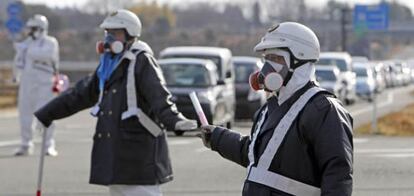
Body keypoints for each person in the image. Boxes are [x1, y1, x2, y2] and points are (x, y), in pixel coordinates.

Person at [33, 9, 197, 196]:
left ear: (129, 34)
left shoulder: (142, 61)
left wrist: (176, 121)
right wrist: (47, 113)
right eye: (107, 33)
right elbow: (80, 94)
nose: (109, 38)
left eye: (115, 33)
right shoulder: (108, 66)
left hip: (138, 158)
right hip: (116, 158)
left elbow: (159, 96)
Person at [199, 22, 353, 196]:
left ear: (298, 60)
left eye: (276, 58)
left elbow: (338, 175)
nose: (267, 67)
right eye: (267, 59)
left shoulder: (324, 109)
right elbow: (256, 156)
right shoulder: (270, 108)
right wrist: (217, 137)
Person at [13, 14, 59, 156]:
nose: (30, 32)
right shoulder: (27, 43)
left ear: (40, 28)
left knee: (46, 114)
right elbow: (18, 61)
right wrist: (16, 75)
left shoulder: (50, 42)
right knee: (25, 115)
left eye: (32, 29)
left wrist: (26, 49)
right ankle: (26, 144)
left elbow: (46, 55)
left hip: (45, 85)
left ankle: (48, 145)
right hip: (27, 84)